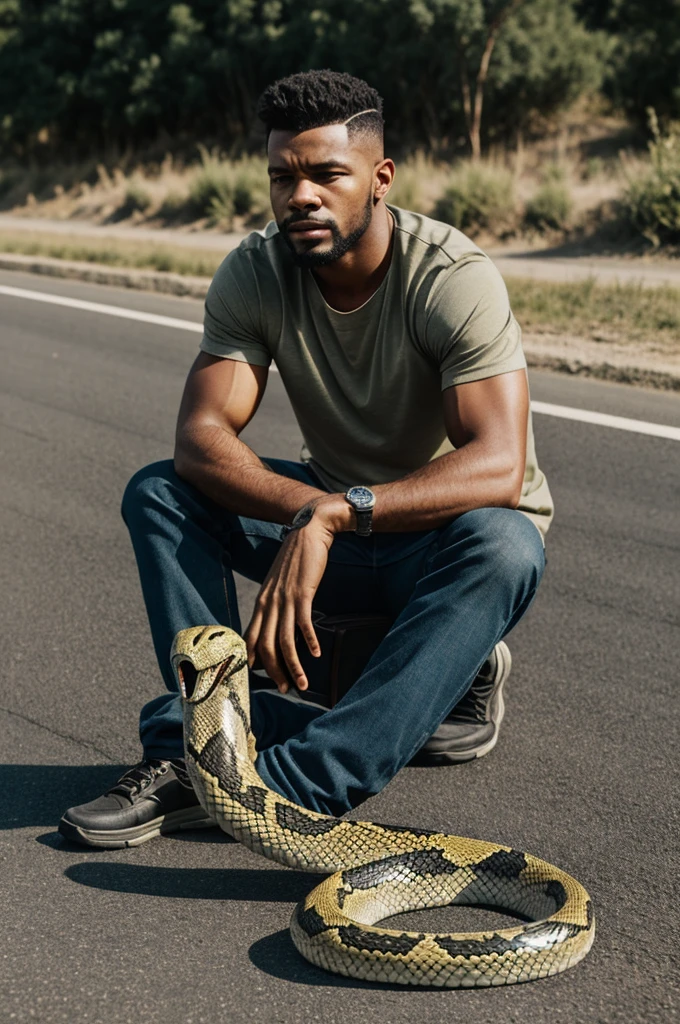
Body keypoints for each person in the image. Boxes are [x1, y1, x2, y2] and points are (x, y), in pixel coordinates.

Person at [59, 70, 552, 850]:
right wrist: (306, 510)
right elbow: (201, 437)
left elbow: (498, 465)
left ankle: (289, 787)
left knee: (507, 542)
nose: (302, 196)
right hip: (330, 525)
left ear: (380, 179)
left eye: (326, 174)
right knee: (159, 491)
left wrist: (336, 510)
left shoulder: (453, 278)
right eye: (283, 177)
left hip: (435, 542)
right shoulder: (256, 271)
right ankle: (206, 742)